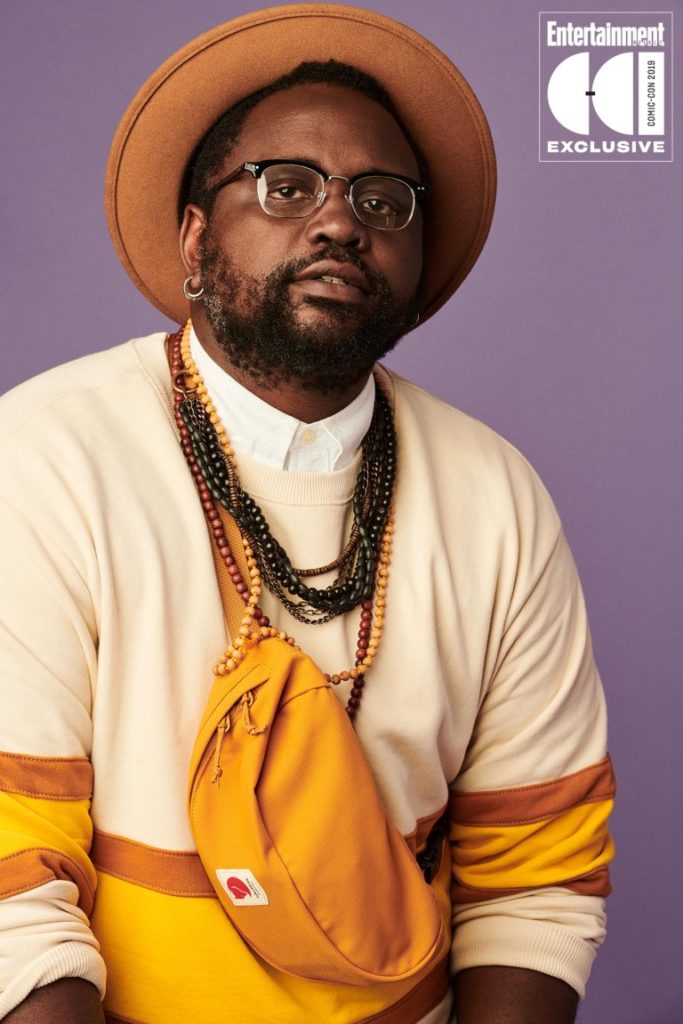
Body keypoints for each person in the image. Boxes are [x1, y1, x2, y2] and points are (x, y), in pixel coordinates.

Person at [0, 6, 615, 1023]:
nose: (340, 222)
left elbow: (534, 881)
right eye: (286, 186)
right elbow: (13, 885)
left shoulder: (495, 496)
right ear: (194, 237)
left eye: (382, 200)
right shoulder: (43, 455)